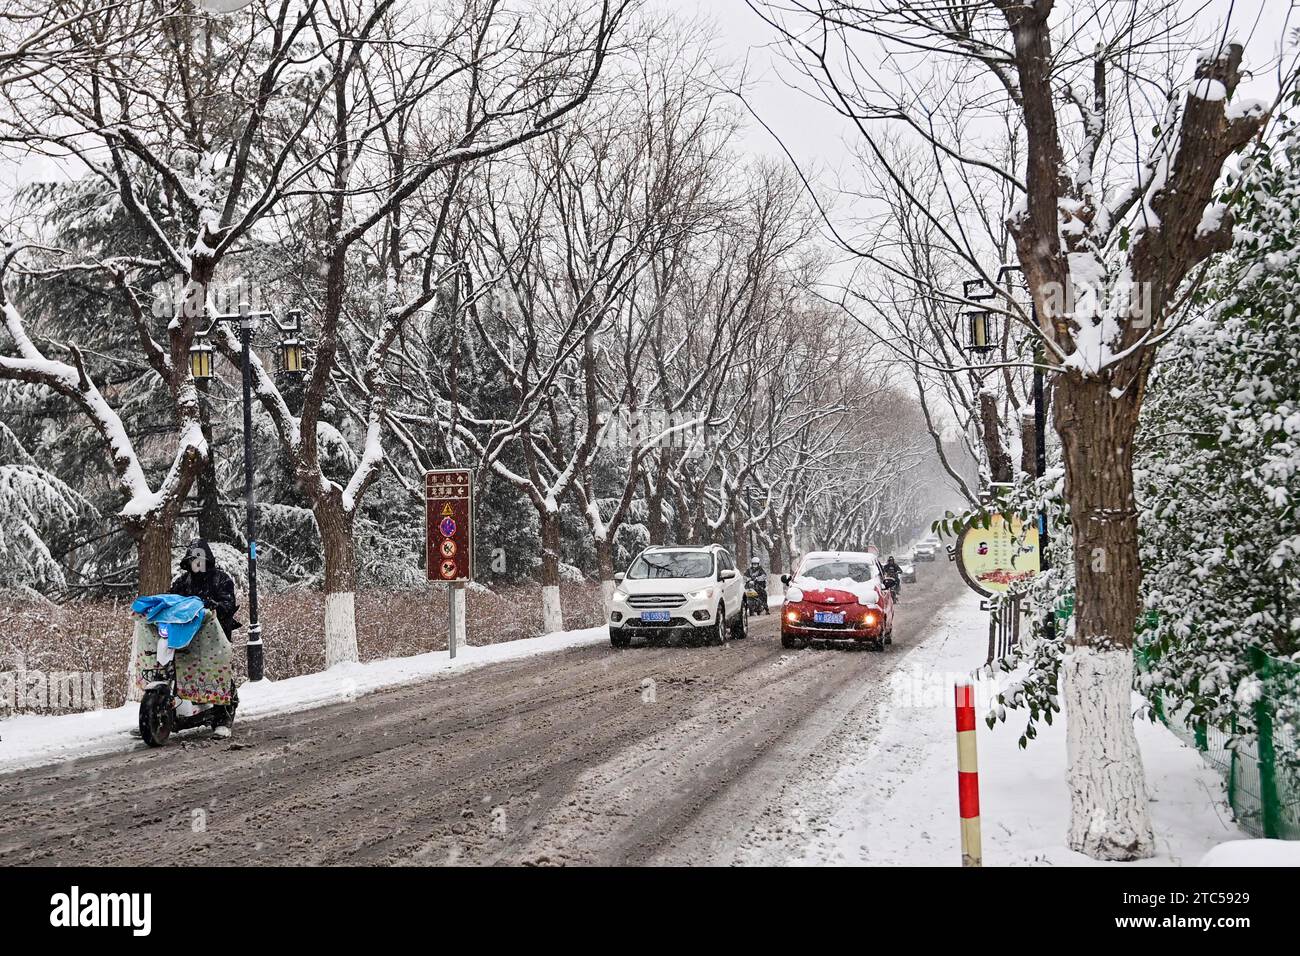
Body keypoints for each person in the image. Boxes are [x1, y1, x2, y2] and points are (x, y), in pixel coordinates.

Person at [170, 539, 241, 639]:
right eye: (192, 560)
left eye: (198, 559)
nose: (195, 563)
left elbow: (228, 606)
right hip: (187, 637)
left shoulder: (221, 579)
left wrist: (215, 606)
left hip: (215, 637)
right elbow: (171, 599)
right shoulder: (183, 581)